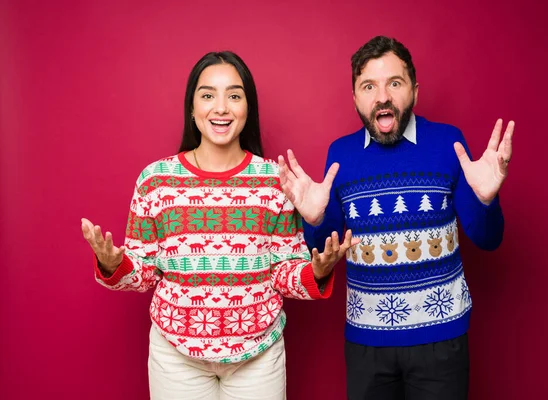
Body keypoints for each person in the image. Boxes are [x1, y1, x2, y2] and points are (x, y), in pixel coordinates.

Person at [81, 51, 356, 400]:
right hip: (176, 357)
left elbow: (284, 272)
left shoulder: (275, 180)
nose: (221, 107)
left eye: (235, 95)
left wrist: (315, 271)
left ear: (248, 108)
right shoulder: (156, 181)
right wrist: (111, 264)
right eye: (208, 95)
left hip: (258, 355)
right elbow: (145, 272)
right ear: (192, 107)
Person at [278, 36, 515, 400]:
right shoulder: (341, 155)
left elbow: (488, 238)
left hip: (442, 337)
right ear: (356, 98)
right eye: (369, 86)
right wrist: (316, 218)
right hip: (366, 343)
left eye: (395, 83)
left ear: (414, 92)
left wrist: (486, 199)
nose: (382, 97)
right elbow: (325, 248)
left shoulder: (449, 144)